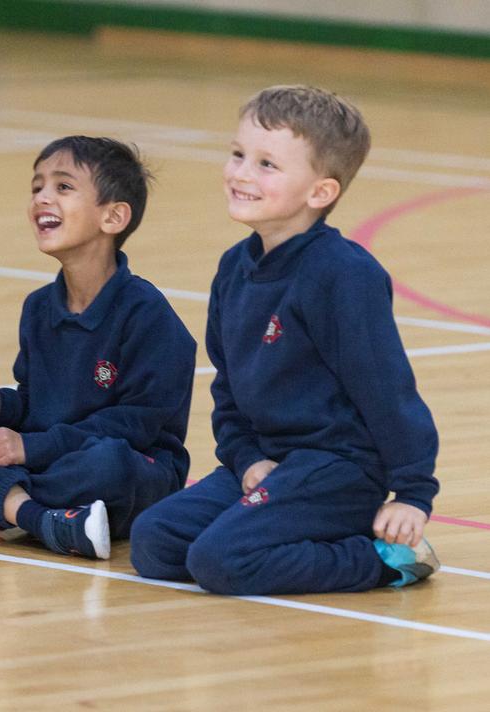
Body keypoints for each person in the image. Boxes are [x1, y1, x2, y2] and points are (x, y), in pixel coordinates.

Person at [130, 85, 441, 593]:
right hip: (271, 463)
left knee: (219, 560)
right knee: (154, 541)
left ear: (320, 192)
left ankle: (381, 559)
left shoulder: (344, 275)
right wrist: (248, 459)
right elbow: (228, 388)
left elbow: (388, 392)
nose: (241, 173)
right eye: (238, 154)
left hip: (338, 471)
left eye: (266, 165)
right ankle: (289, 528)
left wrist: (412, 494)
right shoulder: (233, 268)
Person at [0, 136, 196, 560]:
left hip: (129, 468)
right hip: (48, 459)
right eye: (37, 187)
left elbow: (133, 429)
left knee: (109, 463)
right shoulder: (38, 308)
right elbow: (36, 411)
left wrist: (32, 448)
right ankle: (40, 519)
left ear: (113, 217)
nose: (42, 198)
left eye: (63, 187)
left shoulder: (148, 315)